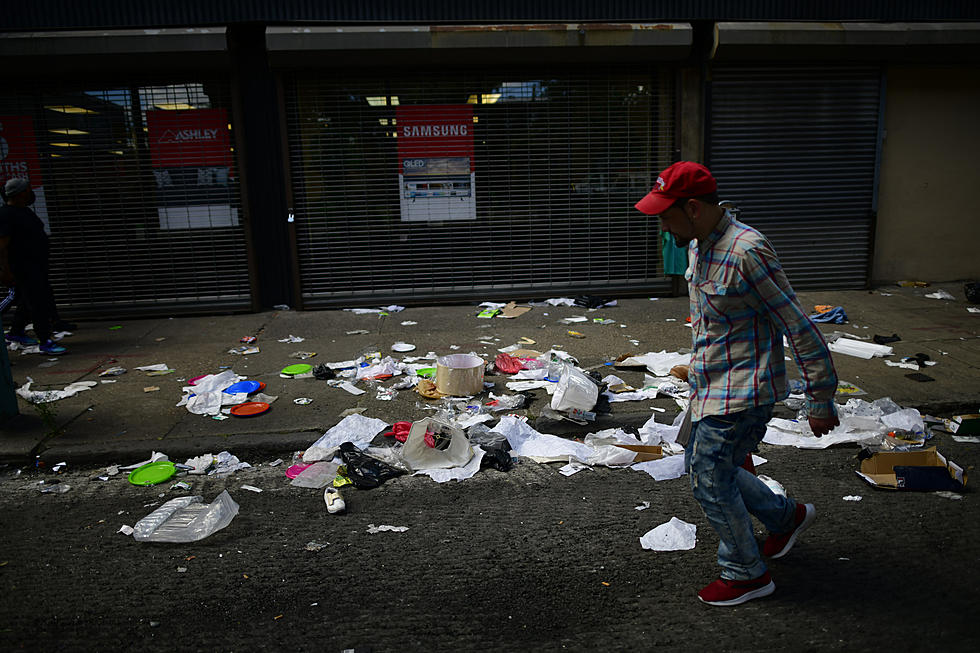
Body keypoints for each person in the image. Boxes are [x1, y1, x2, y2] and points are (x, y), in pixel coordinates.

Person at [635, 161, 840, 606]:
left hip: (746, 389)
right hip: (711, 385)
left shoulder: (747, 250)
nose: (661, 224)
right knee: (709, 465)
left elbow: (798, 324)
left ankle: (746, 572)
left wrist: (821, 397)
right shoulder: (697, 245)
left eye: (666, 214)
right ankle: (785, 518)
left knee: (708, 477)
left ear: (692, 208)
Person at [0, 177, 67, 355]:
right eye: (28, 189)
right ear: (21, 193)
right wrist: (5, 270)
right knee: (38, 304)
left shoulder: (24, 212)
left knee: (26, 301)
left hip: (35, 266)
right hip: (24, 267)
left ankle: (16, 331)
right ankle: (45, 340)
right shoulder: (7, 215)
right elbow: (2, 246)